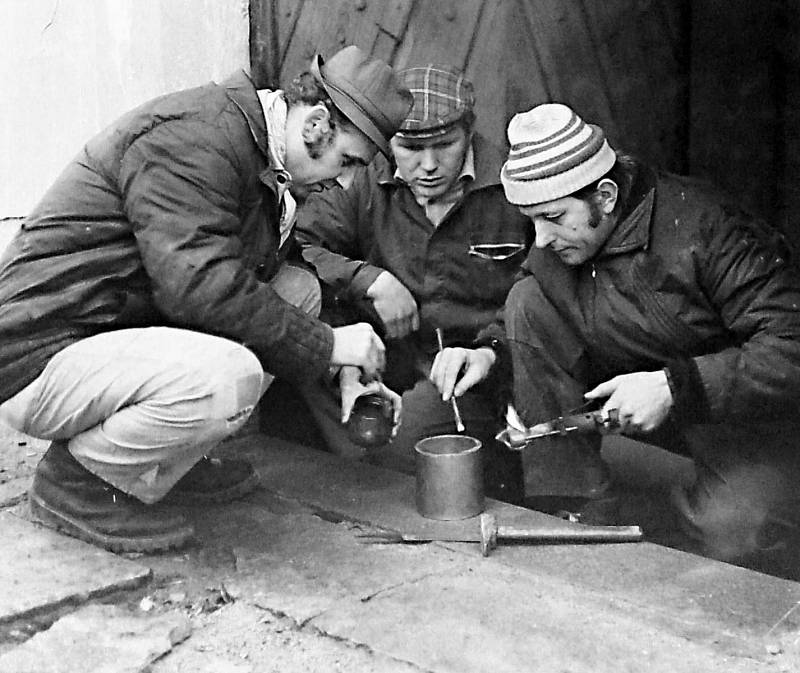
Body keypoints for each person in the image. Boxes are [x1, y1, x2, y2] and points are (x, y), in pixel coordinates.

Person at [0, 45, 413, 553]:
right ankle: (78, 483)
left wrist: (341, 368)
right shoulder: (196, 136)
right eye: (347, 161)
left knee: (298, 292)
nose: (347, 181)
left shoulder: (256, 150)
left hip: (103, 338)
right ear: (317, 124)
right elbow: (197, 286)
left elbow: (279, 281)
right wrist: (327, 345)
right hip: (37, 354)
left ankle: (160, 466)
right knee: (229, 374)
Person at [430, 102, 800, 569]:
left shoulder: (708, 227)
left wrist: (675, 386)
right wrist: (488, 351)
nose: (540, 239)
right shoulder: (563, 239)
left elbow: (791, 343)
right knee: (527, 297)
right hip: (649, 404)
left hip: (747, 419)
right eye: (532, 221)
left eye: (553, 217)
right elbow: (537, 304)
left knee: (731, 531)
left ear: (604, 197)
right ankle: (573, 506)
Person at [294, 64, 532, 500]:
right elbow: (302, 245)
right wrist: (370, 280)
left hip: (471, 375)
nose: (428, 166)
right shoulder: (364, 178)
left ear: (470, 131)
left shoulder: (513, 188)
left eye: (445, 146)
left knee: (395, 467)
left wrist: (488, 348)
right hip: (386, 357)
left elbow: (540, 292)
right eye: (409, 148)